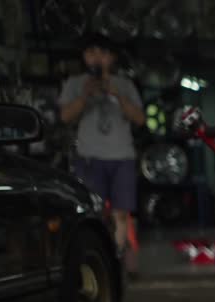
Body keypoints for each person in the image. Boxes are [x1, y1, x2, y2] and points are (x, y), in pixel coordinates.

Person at [59, 33, 145, 268]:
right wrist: (86, 95)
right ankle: (97, 261)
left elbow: (140, 119)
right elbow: (65, 117)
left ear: (112, 58)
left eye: (103, 53)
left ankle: (119, 261)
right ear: (84, 57)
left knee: (121, 213)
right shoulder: (75, 83)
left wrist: (116, 94)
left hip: (122, 157)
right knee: (93, 214)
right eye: (91, 53)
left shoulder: (124, 84)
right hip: (89, 157)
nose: (97, 58)